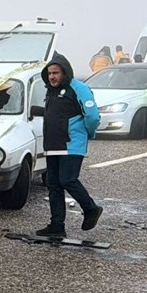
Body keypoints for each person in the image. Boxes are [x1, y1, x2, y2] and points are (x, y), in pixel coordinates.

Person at [38, 54, 103, 237]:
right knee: (53, 185)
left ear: (65, 72)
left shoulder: (79, 88)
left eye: (56, 73)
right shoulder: (50, 91)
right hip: (52, 145)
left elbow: (93, 116)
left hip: (71, 144)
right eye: (50, 73)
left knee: (68, 180)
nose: (52, 77)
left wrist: (88, 133)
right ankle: (57, 225)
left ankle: (91, 208)